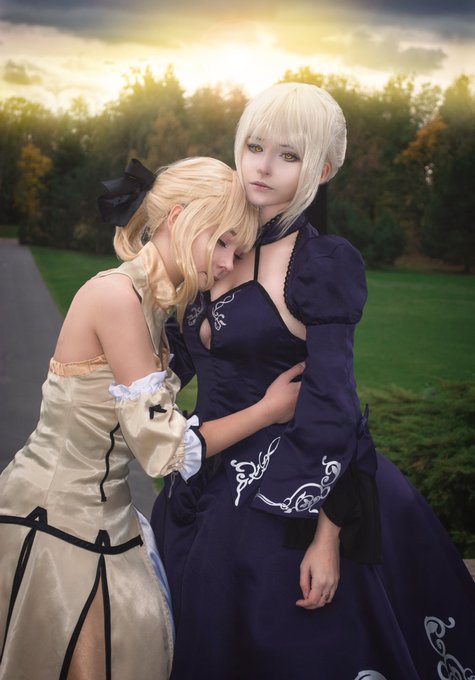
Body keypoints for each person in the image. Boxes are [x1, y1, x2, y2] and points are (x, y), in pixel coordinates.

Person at [151, 84, 475, 680]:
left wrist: (327, 535)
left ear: (322, 170)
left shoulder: (321, 264)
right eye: (254, 147)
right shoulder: (213, 242)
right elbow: (167, 364)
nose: (263, 166)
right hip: (200, 474)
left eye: (289, 155)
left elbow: (333, 407)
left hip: (288, 493)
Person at [0, 156, 304, 680]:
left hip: (107, 517)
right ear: (178, 218)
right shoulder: (115, 296)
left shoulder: (152, 305)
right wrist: (269, 409)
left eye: (237, 250)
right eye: (223, 242)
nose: (227, 262)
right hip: (55, 523)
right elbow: (164, 449)